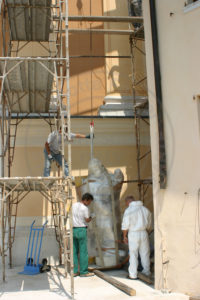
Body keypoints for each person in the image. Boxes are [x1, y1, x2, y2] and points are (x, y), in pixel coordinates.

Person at [121, 195, 152, 280]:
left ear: (128, 202)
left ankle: (133, 274)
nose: (126, 204)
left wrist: (124, 236)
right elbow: (149, 224)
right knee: (145, 253)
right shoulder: (145, 210)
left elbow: (125, 226)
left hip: (133, 233)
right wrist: (146, 232)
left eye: (126, 203)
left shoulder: (128, 210)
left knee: (133, 254)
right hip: (144, 233)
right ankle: (147, 272)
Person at [72, 192, 94, 277]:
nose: (89, 203)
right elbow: (87, 220)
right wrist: (92, 216)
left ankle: (74, 271)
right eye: (89, 202)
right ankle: (83, 272)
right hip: (81, 229)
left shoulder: (74, 205)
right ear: (86, 200)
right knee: (83, 251)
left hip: (73, 229)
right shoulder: (85, 208)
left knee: (74, 251)